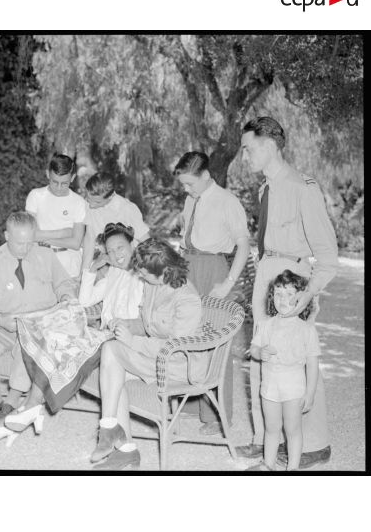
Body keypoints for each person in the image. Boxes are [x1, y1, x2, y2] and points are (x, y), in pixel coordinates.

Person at [237, 116, 337, 469]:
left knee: (299, 355)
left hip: (292, 280)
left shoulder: (301, 187)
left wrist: (304, 298)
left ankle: (313, 444)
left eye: (248, 148)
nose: (245, 156)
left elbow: (327, 257)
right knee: (264, 354)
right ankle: (267, 440)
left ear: (268, 145)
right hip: (267, 274)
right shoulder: (266, 188)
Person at [91, 238, 202, 470]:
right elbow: (146, 322)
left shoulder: (187, 298)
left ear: (164, 271)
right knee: (112, 366)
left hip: (179, 365)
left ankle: (113, 433)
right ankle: (121, 442)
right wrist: (126, 324)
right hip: (155, 356)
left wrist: (133, 341)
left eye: (144, 273)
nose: (140, 277)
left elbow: (176, 346)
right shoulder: (154, 284)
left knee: (112, 354)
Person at [0, 211, 76, 429]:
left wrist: (66, 296)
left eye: (29, 242)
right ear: (6, 236)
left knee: (28, 346)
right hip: (6, 324)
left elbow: (64, 283)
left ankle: (12, 402)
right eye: (19, 243)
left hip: (39, 326)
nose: (25, 248)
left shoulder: (45, 254)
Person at [174, 151, 250, 435]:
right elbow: (186, 237)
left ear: (206, 176)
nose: (185, 189)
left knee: (216, 341)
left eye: (189, 184)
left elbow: (243, 246)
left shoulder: (228, 202)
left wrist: (228, 282)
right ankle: (194, 406)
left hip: (214, 270)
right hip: (188, 268)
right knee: (188, 336)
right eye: (183, 185)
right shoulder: (191, 198)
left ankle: (219, 417)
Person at [247, 270, 321, 471]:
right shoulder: (266, 325)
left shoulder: (306, 329)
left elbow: (312, 364)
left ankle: (292, 468)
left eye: (290, 294)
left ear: (302, 299)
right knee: (271, 429)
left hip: (294, 389)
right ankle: (268, 464)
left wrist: (310, 393)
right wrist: (259, 352)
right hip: (270, 387)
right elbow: (253, 348)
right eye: (278, 293)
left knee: (293, 429)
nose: (282, 299)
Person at [25, 153, 86, 279]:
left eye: (64, 183)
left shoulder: (79, 202)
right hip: (40, 262)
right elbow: (31, 234)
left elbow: (76, 243)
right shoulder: (35, 196)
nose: (58, 188)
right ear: (48, 174)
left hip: (69, 267)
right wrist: (65, 232)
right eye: (55, 182)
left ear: (73, 177)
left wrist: (43, 239)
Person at [78, 222, 144, 332]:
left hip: (131, 335)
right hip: (108, 333)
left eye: (120, 247)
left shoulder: (145, 274)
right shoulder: (114, 272)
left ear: (132, 244)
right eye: (110, 251)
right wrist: (93, 268)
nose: (116, 254)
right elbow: (84, 301)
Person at [81, 172, 150, 270]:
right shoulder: (90, 205)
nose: (91, 205)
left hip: (131, 265)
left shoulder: (127, 209)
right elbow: (89, 240)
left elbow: (146, 242)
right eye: (88, 198)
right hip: (110, 262)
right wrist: (83, 273)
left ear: (111, 196)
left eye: (97, 202)